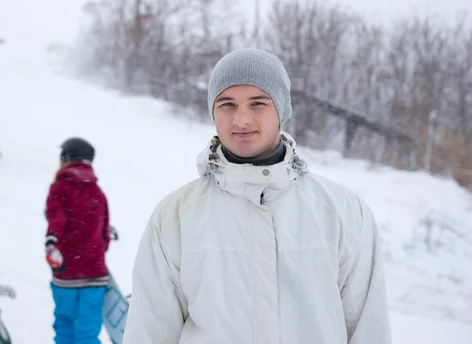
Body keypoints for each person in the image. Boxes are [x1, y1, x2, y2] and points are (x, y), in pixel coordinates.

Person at [122, 48, 392, 344]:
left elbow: (368, 330)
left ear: (281, 111)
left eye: (258, 103)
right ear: (213, 112)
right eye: (227, 104)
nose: (241, 119)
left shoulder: (344, 212)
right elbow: (150, 331)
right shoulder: (176, 216)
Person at [44, 138, 111, 344]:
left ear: (65, 158)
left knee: (64, 327)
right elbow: (104, 236)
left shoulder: (60, 188)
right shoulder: (98, 193)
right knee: (88, 333)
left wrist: (51, 240)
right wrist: (93, 253)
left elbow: (57, 218)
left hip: (66, 274)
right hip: (95, 274)